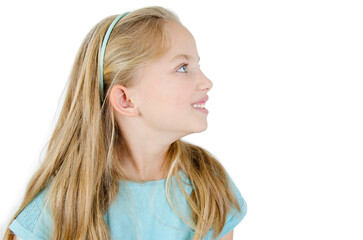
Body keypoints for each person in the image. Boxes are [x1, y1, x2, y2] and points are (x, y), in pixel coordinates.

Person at [3, 5, 247, 240]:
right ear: (125, 99)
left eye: (197, 65)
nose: (206, 82)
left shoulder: (209, 183)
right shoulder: (62, 205)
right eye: (183, 67)